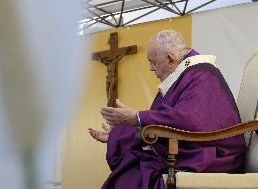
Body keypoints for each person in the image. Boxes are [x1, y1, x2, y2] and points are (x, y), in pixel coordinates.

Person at [88, 30, 245, 189]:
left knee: (133, 177)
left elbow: (189, 122)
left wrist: (136, 118)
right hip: (197, 151)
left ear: (170, 59)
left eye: (153, 62)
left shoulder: (203, 75)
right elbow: (171, 122)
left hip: (216, 158)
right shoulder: (187, 74)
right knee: (130, 171)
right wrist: (120, 135)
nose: (150, 68)